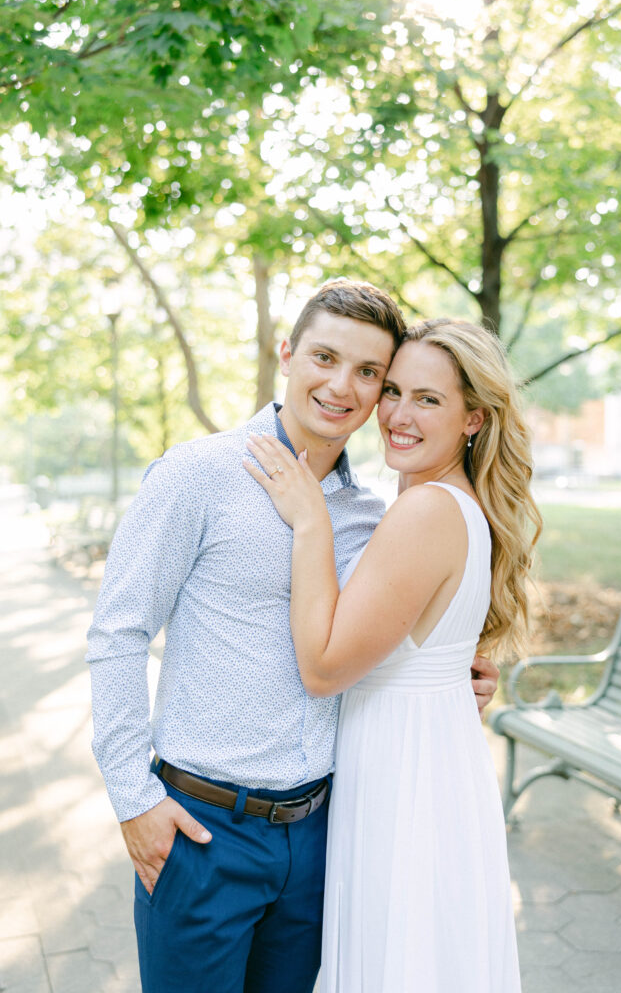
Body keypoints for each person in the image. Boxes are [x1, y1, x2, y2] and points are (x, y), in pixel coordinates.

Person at [86, 282, 500, 993]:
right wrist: (133, 799)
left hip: (323, 838)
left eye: (369, 373)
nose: (342, 386)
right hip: (204, 831)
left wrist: (444, 674)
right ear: (286, 353)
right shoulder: (197, 474)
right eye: (325, 357)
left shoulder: (373, 514)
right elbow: (117, 632)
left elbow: (368, 638)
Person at [244, 316, 542, 992]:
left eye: (428, 399)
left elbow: (322, 669)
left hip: (406, 780)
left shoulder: (425, 510)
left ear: (473, 418)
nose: (398, 416)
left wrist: (310, 521)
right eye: (393, 391)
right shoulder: (444, 504)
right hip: (426, 758)